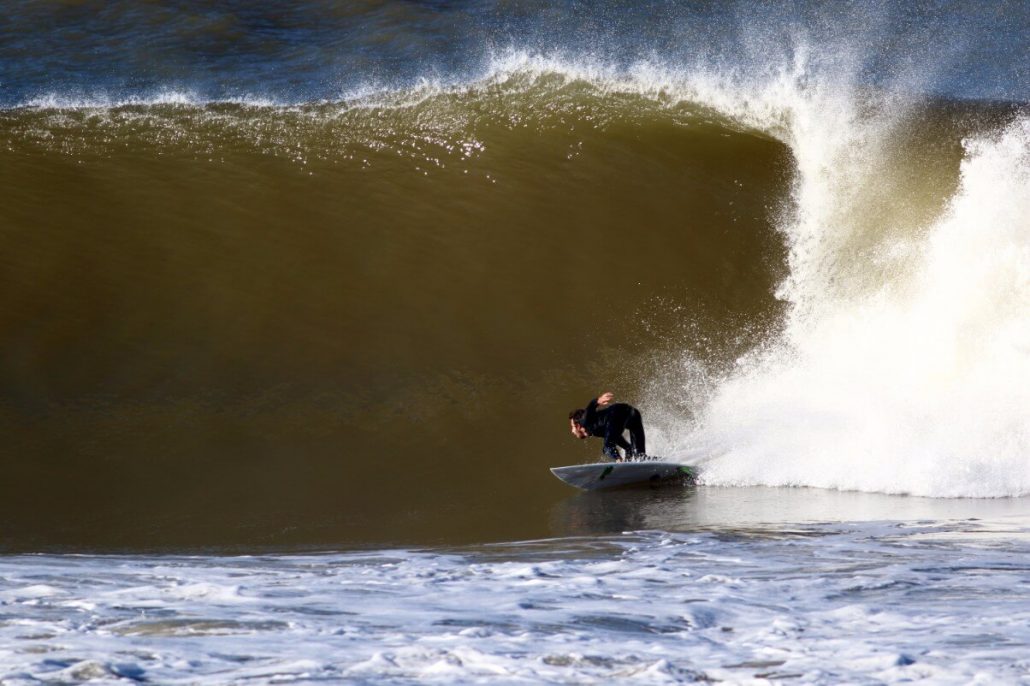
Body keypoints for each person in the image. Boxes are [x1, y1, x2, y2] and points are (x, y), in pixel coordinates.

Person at [568, 391, 646, 461]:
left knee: (607, 447)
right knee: (638, 456)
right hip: (633, 414)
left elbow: (590, 407)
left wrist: (598, 400)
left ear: (578, 426)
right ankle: (639, 461)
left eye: (572, 427)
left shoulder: (584, 421)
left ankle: (619, 461)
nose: (572, 431)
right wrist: (627, 450)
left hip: (617, 413)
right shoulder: (599, 428)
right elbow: (616, 437)